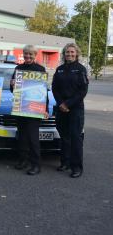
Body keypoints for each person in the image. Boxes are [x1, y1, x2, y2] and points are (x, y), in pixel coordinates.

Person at [52, 43, 88, 178]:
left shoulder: (81, 69)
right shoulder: (59, 69)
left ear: (77, 54)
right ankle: (65, 162)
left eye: (72, 52)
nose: (70, 54)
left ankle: (76, 167)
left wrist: (68, 104)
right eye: (67, 52)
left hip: (75, 109)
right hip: (61, 108)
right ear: (64, 54)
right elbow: (54, 88)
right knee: (64, 137)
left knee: (75, 138)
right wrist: (61, 103)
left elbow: (83, 91)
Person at [10, 45, 47, 175]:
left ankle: (36, 165)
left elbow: (44, 92)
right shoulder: (18, 68)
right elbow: (13, 89)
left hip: (34, 109)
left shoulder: (40, 69)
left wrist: (45, 109)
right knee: (22, 138)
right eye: (26, 54)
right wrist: (12, 85)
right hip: (20, 108)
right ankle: (23, 161)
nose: (28, 56)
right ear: (23, 54)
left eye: (31, 54)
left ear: (35, 55)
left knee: (33, 138)